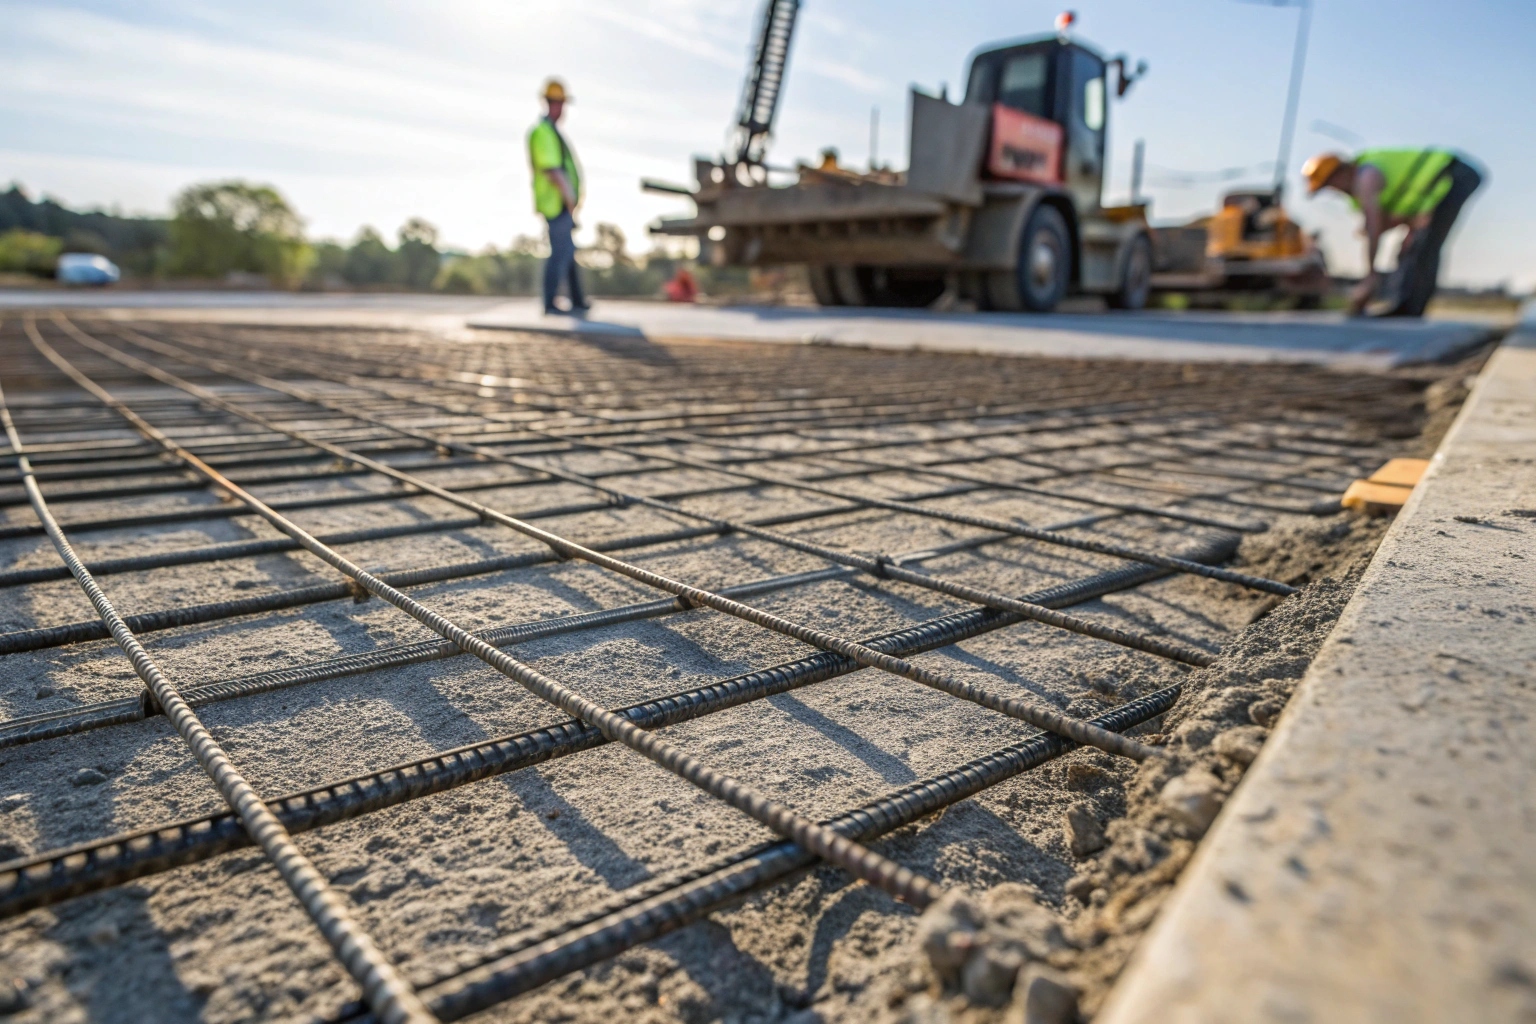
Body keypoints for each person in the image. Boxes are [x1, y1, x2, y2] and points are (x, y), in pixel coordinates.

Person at [1303, 148, 1483, 317]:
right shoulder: (1360, 189)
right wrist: (1409, 229)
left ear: (1340, 173)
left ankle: (1410, 309)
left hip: (1453, 174)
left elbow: (1374, 231)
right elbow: (1399, 214)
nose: (1333, 191)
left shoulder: (1366, 178)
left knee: (1425, 245)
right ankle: (1404, 305)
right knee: (1410, 247)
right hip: (1435, 189)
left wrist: (1370, 276)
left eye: (1329, 184)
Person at [528, 78, 588, 315]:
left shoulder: (552, 131)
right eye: (557, 103)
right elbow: (554, 171)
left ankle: (578, 300)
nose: (561, 108)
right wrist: (570, 201)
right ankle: (550, 302)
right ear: (549, 103)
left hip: (562, 202)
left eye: (562, 103)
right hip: (556, 202)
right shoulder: (543, 131)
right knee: (561, 252)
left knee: (568, 251)